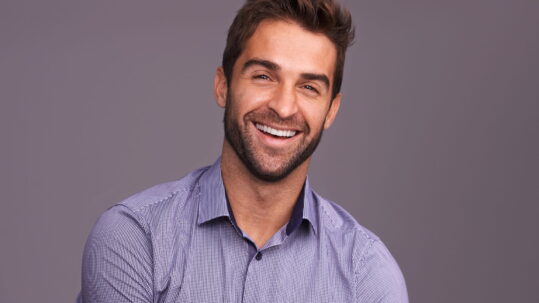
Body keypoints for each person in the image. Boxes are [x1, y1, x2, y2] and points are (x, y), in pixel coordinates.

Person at [77, 0, 408, 302]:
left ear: (331, 110)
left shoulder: (366, 274)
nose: (283, 106)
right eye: (264, 76)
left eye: (309, 87)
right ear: (223, 86)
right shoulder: (136, 237)